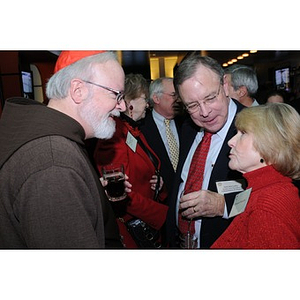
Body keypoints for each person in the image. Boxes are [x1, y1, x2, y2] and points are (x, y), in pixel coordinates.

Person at [0, 50, 125, 248]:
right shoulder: (53, 161)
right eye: (116, 94)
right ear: (78, 90)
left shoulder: (55, 146)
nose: (123, 106)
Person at [165, 53, 246, 249]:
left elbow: (281, 195)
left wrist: (223, 205)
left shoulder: (258, 129)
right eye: (192, 105)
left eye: (210, 98)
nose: (204, 112)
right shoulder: (188, 128)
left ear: (225, 85)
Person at [93, 73, 169, 248]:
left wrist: (160, 186)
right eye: (144, 98)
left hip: (145, 221)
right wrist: (163, 215)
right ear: (130, 103)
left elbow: (147, 169)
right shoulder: (113, 135)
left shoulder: (133, 131)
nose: (148, 104)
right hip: (130, 229)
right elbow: (117, 192)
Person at [212, 103, 300, 249]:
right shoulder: (269, 189)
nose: (230, 142)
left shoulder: (265, 207)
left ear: (270, 144)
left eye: (243, 133)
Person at [140, 77, 184, 199]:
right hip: (160, 200)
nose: (178, 100)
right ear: (156, 98)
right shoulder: (141, 129)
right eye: (173, 95)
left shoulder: (187, 124)